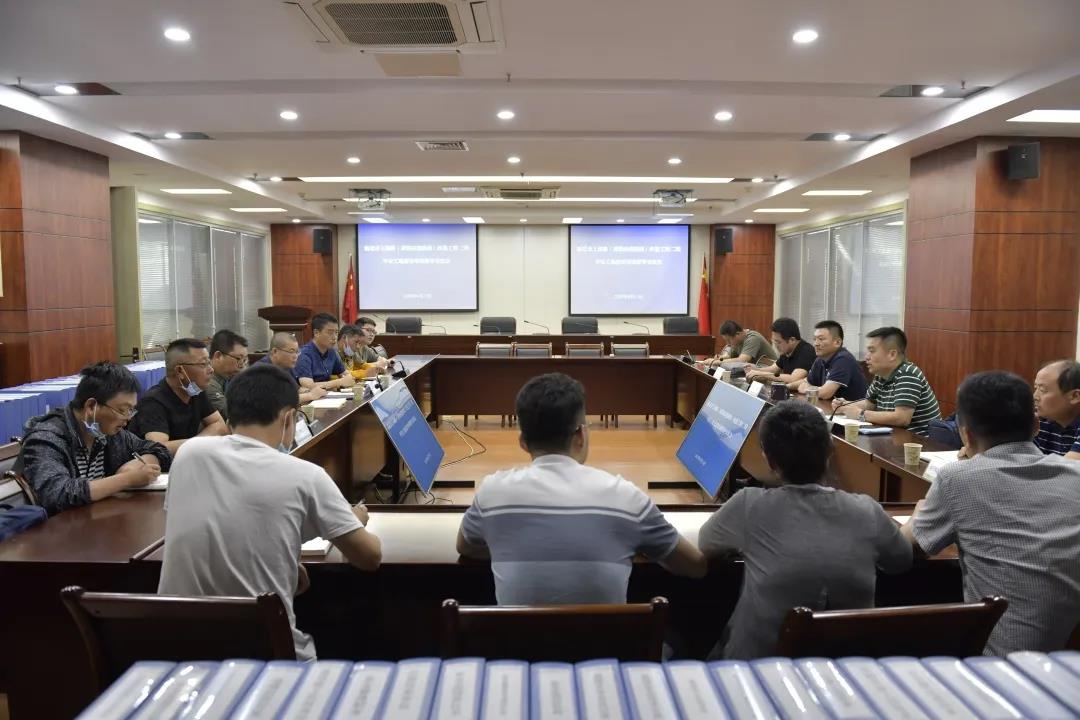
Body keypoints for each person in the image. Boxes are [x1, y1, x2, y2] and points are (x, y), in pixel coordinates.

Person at [158, 364, 382, 661]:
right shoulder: (306, 475)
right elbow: (369, 558)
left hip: (178, 652)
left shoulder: (189, 455)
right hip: (268, 659)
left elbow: (221, 525)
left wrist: (286, 562)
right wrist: (355, 520)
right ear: (288, 417)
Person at [456, 372, 706, 604]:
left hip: (516, 640)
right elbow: (696, 567)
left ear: (522, 442)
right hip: (605, 640)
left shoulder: (492, 493)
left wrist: (506, 545)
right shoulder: (627, 500)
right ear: (580, 435)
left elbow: (465, 547)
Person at [699, 401, 912, 660]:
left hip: (757, 668)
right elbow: (901, 560)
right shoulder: (868, 511)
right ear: (830, 451)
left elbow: (705, 543)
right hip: (846, 671)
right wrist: (914, 523)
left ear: (769, 460)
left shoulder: (748, 505)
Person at [902, 371, 1080, 654]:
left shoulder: (958, 478)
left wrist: (915, 517)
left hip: (998, 664)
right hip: (1067, 664)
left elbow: (909, 548)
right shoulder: (1075, 475)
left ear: (966, 434)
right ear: (1036, 426)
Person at [15, 362, 170, 515]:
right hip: (57, 527)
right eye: (123, 410)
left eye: (131, 410)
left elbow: (157, 449)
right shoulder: (47, 438)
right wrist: (127, 479)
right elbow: (57, 494)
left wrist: (139, 463)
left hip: (95, 520)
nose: (128, 418)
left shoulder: (106, 432)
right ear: (91, 406)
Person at [834, 327, 940, 436]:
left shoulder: (908, 374)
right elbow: (869, 404)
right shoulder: (881, 375)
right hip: (893, 436)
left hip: (918, 442)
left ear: (892, 354)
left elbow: (902, 418)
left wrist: (860, 414)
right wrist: (845, 405)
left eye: (872, 351)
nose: (866, 357)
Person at [131, 338, 229, 455]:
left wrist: (196, 443)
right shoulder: (152, 402)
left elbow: (220, 426)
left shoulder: (195, 391)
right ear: (180, 371)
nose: (211, 370)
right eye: (203, 364)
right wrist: (201, 443)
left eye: (209, 363)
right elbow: (159, 448)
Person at [797, 321, 867, 401]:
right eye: (814, 339)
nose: (816, 343)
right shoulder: (820, 359)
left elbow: (825, 393)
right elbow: (804, 384)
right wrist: (813, 389)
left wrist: (809, 389)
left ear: (837, 342)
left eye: (821, 339)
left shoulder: (844, 359)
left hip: (852, 408)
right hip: (831, 406)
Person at [259, 332, 327, 405]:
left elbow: (297, 389)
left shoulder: (286, 365)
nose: (295, 356)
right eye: (291, 351)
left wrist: (311, 391)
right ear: (275, 351)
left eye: (297, 352)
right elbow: (277, 401)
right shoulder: (261, 370)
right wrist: (310, 395)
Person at [294, 313, 356, 391]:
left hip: (327, 395)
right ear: (316, 333)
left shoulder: (332, 352)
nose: (334, 337)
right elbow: (308, 386)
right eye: (330, 333)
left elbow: (346, 375)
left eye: (336, 332)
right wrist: (338, 382)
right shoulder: (304, 354)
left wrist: (347, 379)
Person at [1032, 359, 1080, 459]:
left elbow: (1068, 467)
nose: (1035, 396)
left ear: (1075, 396)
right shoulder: (1040, 421)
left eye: (1043, 390)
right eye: (1036, 388)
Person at [745, 318, 816, 384]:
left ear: (792, 340)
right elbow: (773, 369)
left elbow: (793, 379)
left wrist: (762, 374)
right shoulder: (786, 351)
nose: (776, 345)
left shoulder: (806, 352)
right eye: (774, 341)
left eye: (778, 342)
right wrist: (755, 369)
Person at [206, 329, 248, 422]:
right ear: (218, 356)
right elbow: (235, 414)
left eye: (245, 360)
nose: (242, 366)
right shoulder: (206, 382)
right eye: (239, 359)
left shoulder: (229, 377)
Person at [708, 320, 778, 366]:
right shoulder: (737, 341)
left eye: (729, 340)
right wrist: (719, 358)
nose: (728, 343)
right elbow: (730, 356)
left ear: (737, 334)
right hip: (756, 371)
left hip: (770, 371)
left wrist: (714, 362)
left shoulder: (753, 338)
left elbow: (742, 360)